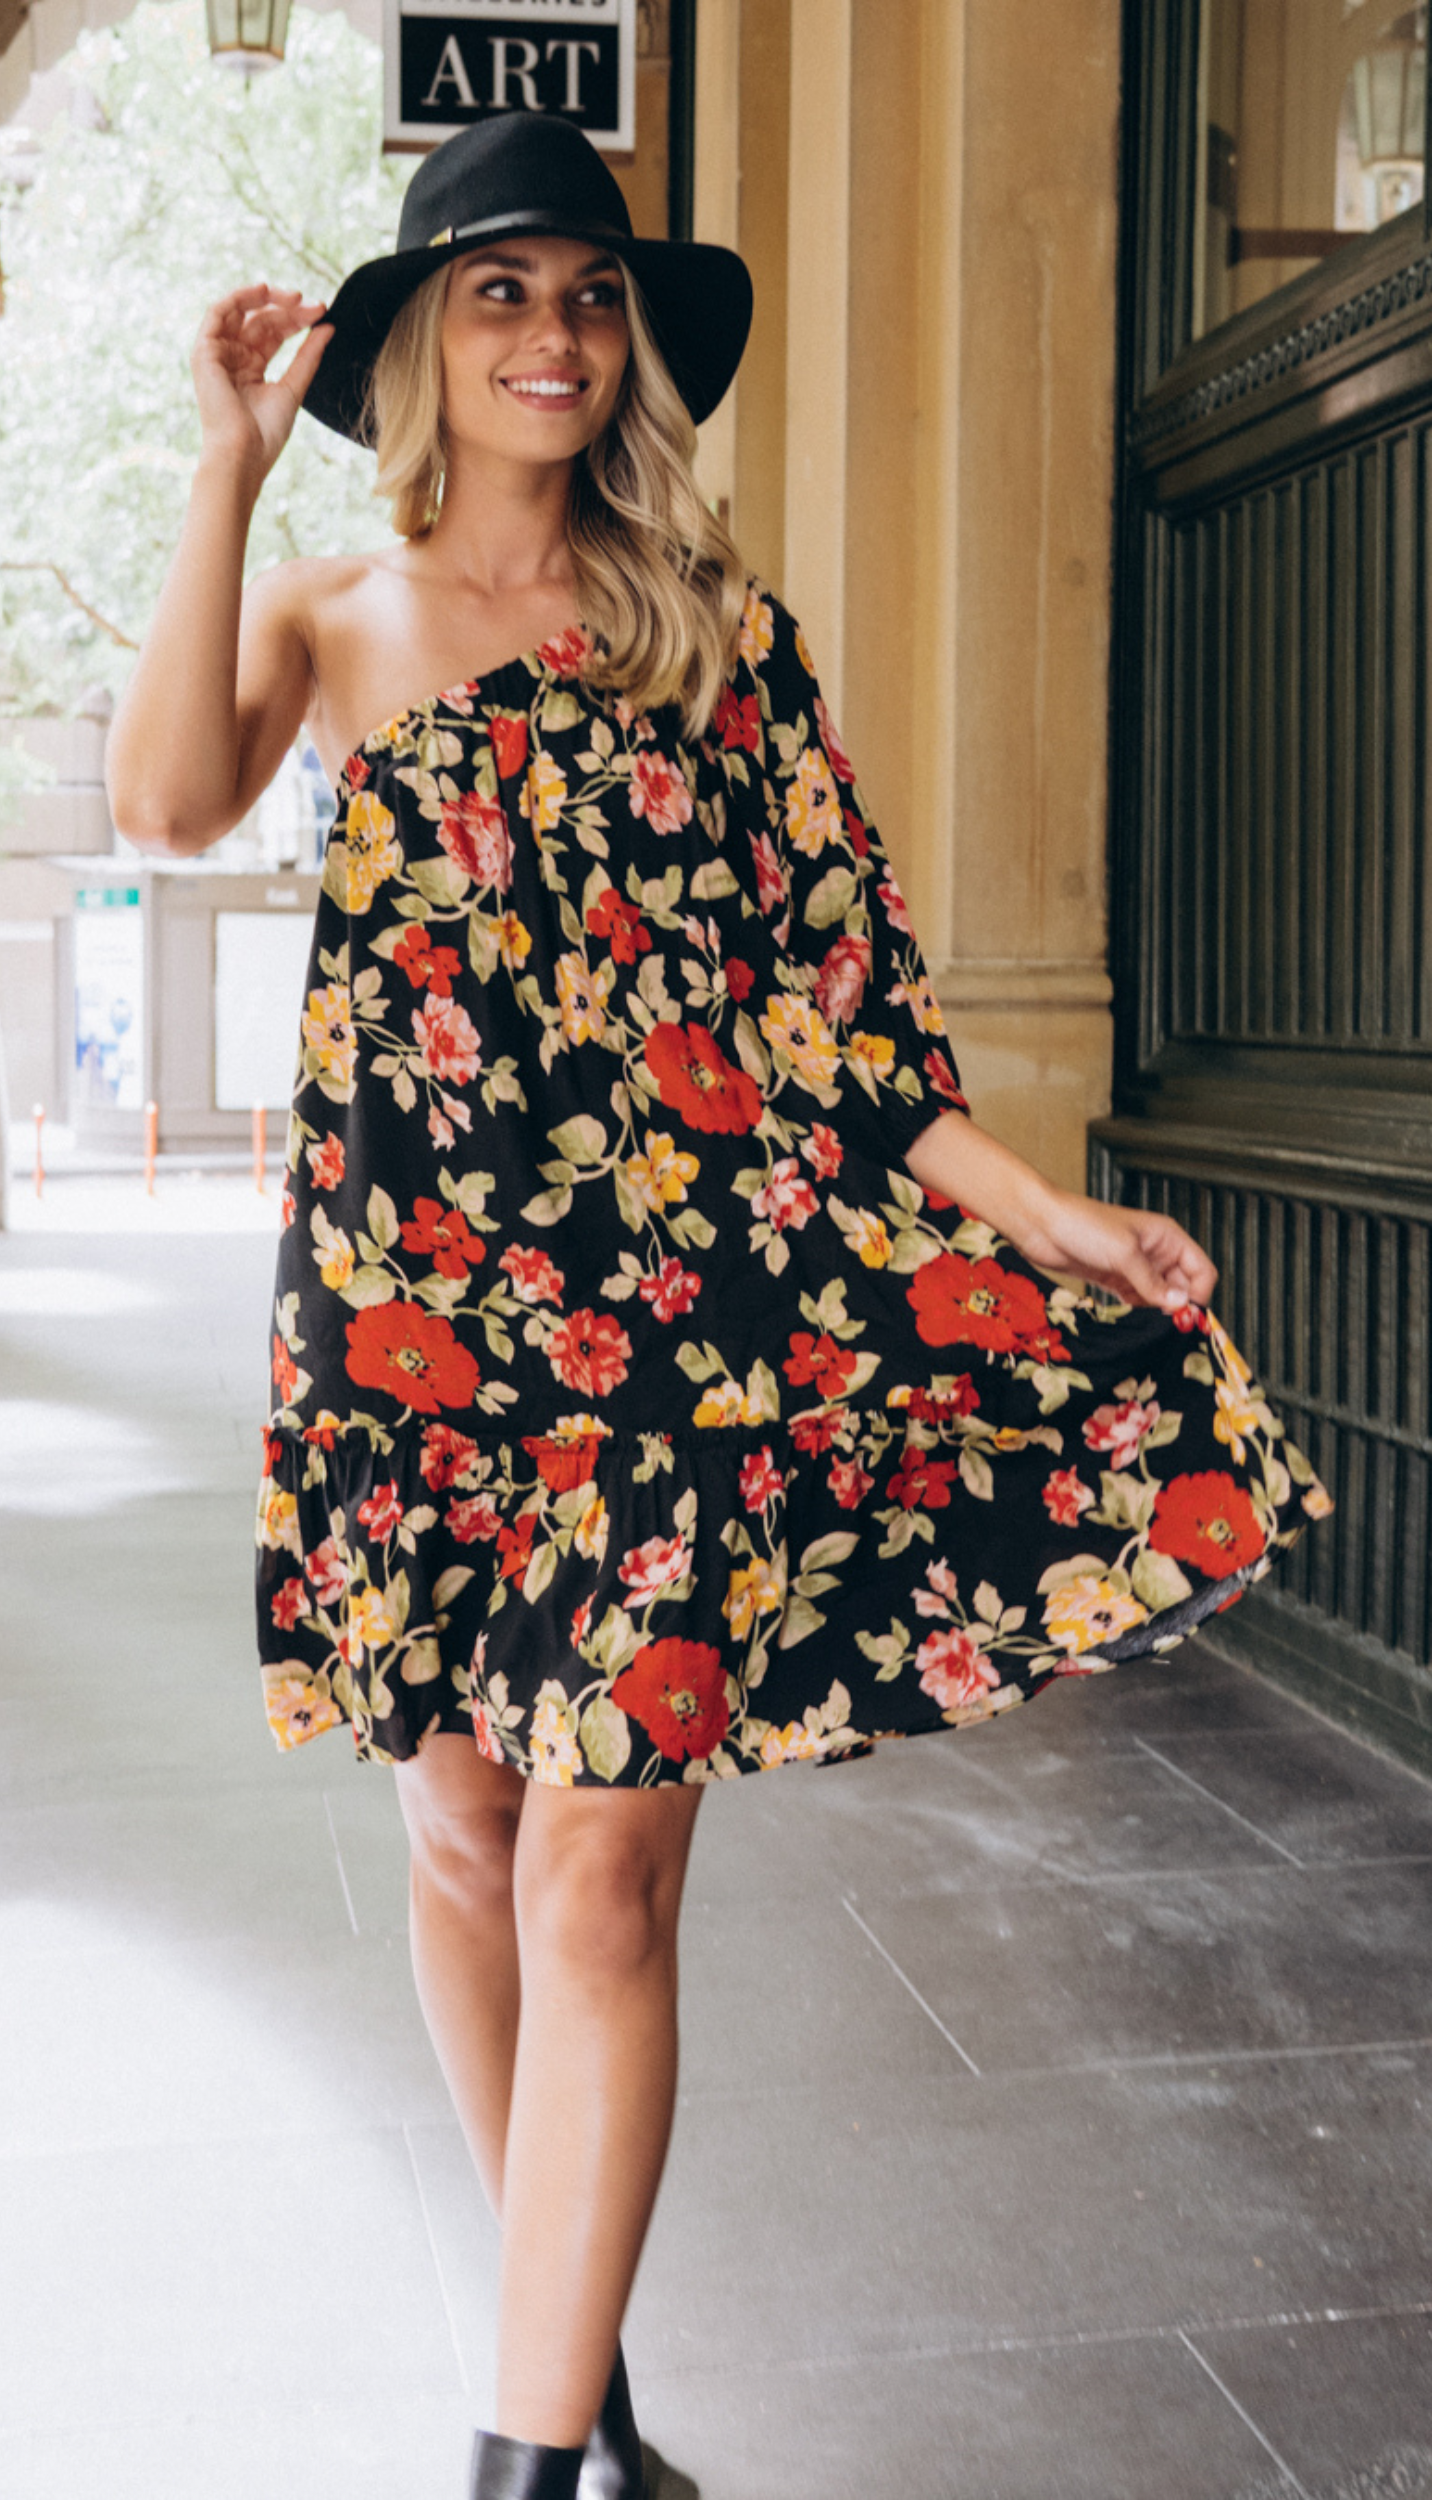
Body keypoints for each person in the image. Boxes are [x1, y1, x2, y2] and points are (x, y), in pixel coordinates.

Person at [107, 109, 1330, 2500]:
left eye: (589, 293)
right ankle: (599, 2396)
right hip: (407, 1325)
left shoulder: (714, 642)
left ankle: (525, 2465)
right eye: (501, 291)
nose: (556, 332)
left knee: (600, 1863)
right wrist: (224, 467)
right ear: (420, 350)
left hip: (679, 1331)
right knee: (467, 1843)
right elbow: (161, 804)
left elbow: (853, 1027)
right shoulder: (333, 615)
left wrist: (1052, 1214)